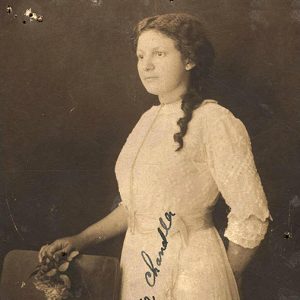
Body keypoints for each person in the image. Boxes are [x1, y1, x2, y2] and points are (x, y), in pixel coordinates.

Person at [39, 13, 272, 300]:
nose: (146, 65)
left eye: (159, 53)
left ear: (189, 60)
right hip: (137, 267)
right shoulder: (147, 120)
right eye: (140, 56)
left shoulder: (215, 120)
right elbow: (135, 208)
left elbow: (252, 215)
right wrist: (80, 239)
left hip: (193, 272)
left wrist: (226, 276)